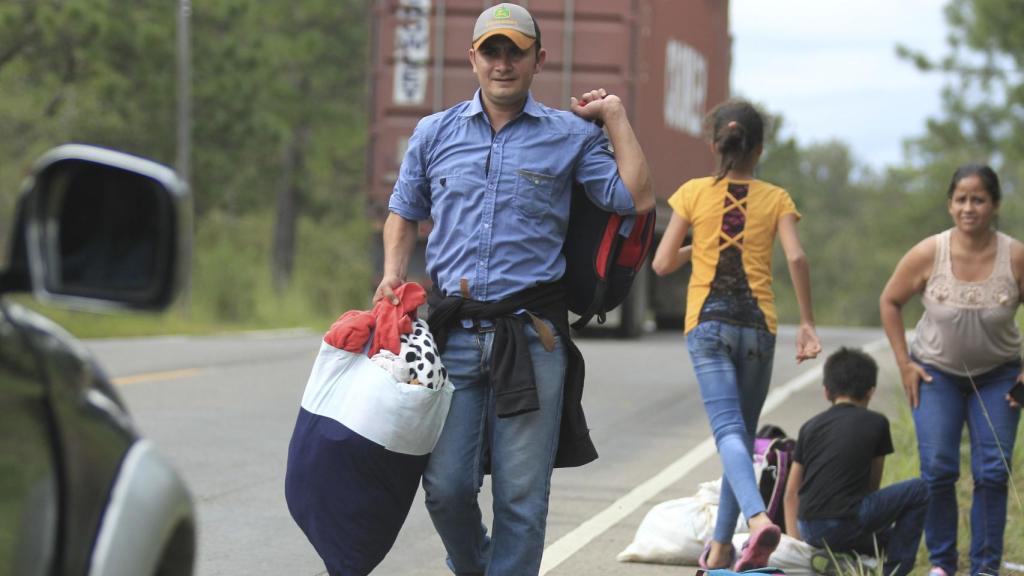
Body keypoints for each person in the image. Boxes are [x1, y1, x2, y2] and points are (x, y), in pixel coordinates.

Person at [374, 3, 654, 574]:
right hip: (451, 339)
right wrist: (392, 274)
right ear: (473, 58)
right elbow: (404, 212)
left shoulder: (570, 136)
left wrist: (614, 115)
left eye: (515, 52)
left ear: (537, 60)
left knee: (521, 500)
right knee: (446, 488)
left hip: (533, 338)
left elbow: (636, 197)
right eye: (492, 51)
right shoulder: (434, 132)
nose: (503, 63)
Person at [651, 98, 821, 571]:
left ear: (713, 145)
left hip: (708, 325)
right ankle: (723, 547)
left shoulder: (692, 193)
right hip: (758, 327)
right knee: (741, 437)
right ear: (759, 149)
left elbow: (661, 263)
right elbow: (797, 257)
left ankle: (757, 517)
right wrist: (807, 323)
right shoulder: (777, 198)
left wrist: (698, 245)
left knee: (728, 432)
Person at [879, 163, 1023, 576]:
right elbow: (890, 301)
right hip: (935, 374)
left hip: (999, 376)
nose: (969, 208)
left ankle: (985, 567)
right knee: (939, 469)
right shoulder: (930, 252)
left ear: (994, 205)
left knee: (992, 472)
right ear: (949, 205)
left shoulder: (1015, 256)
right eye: (961, 199)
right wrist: (904, 363)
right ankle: (942, 563)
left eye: (979, 199)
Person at [783, 347, 928, 576]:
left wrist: (798, 546)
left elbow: (791, 493)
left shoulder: (809, 427)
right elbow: (871, 487)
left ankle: (836, 558)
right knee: (920, 490)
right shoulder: (877, 422)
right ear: (871, 392)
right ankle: (894, 572)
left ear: (826, 391)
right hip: (845, 523)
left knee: (887, 538)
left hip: (809, 528)